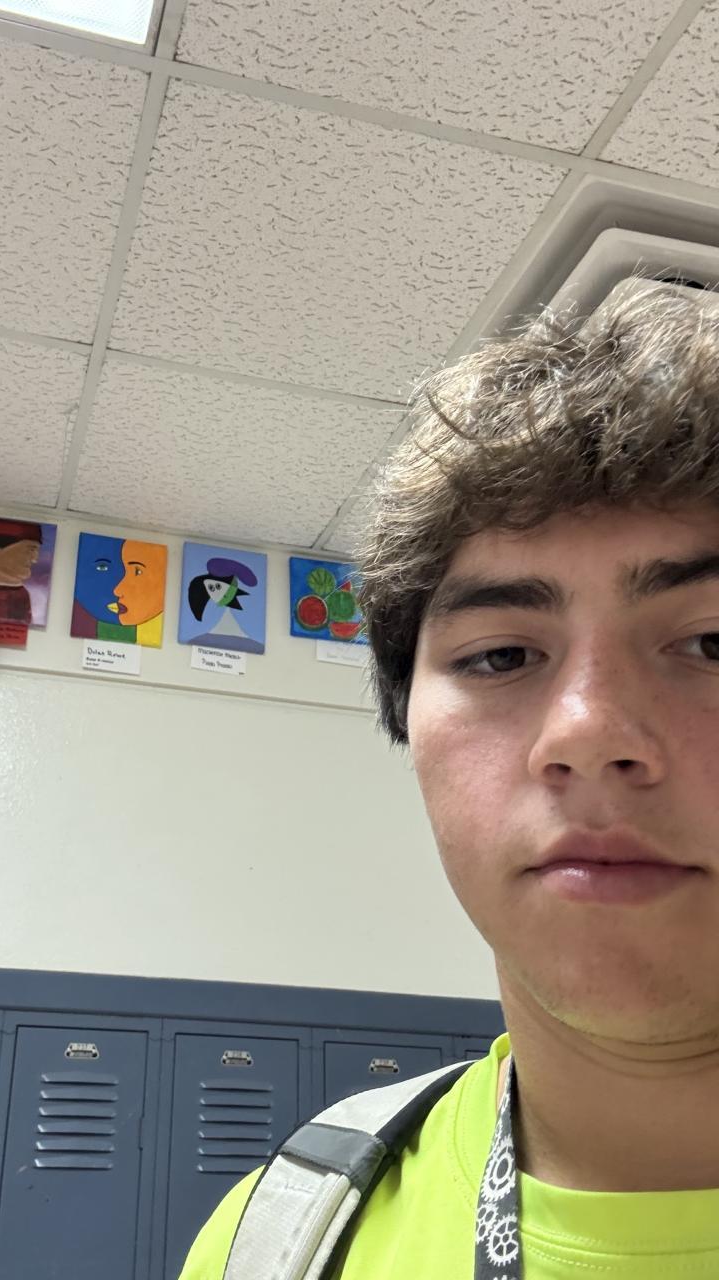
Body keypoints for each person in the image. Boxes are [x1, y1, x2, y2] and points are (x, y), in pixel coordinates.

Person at [179, 283, 719, 1279]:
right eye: (502, 655)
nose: (587, 732)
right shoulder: (278, 1240)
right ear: (409, 726)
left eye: (712, 642)